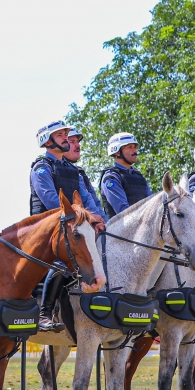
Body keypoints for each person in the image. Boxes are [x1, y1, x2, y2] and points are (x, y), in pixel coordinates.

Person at [30, 121, 106, 331]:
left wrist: (99, 219)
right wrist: (86, 217)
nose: (66, 138)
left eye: (66, 134)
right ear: (47, 141)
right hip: (49, 231)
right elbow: (52, 201)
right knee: (60, 264)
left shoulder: (73, 170)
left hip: (74, 227)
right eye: (60, 135)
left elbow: (87, 198)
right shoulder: (41, 168)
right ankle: (44, 314)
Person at [98, 132, 151, 219]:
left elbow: (151, 203)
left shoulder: (139, 176)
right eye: (130, 147)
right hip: (121, 227)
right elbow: (124, 212)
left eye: (135, 147)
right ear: (117, 152)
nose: (135, 151)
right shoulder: (111, 178)